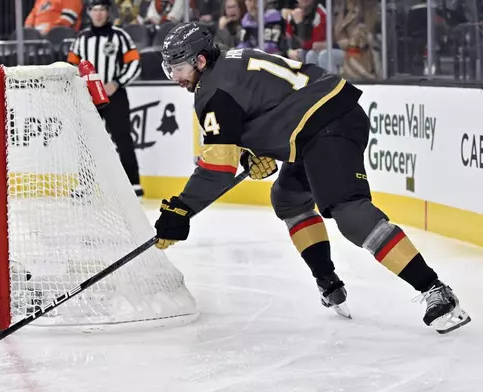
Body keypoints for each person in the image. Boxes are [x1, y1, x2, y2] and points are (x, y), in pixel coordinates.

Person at [153, 22, 471, 334]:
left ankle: (436, 291)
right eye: (171, 70)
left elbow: (217, 170)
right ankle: (329, 284)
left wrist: (181, 209)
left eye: (178, 68)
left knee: (351, 215)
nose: (176, 78)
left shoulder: (213, 92)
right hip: (320, 123)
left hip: (327, 127)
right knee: (288, 198)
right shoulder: (233, 61)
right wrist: (252, 151)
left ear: (200, 60)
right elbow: (269, 104)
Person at [67, 0, 144, 197]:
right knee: (86, 140)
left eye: (102, 9)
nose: (98, 13)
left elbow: (135, 63)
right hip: (88, 97)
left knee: (122, 137)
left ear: (108, 12)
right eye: (95, 9)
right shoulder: (81, 38)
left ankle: (133, 183)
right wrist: (81, 83)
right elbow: (71, 66)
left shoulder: (120, 36)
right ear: (89, 12)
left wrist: (116, 82)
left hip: (114, 95)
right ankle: (86, 184)